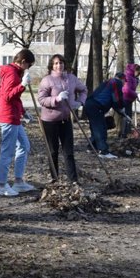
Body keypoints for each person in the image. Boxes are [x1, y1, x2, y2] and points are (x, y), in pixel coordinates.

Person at [37, 54, 87, 183]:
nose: (59, 65)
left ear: (64, 64)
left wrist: (80, 102)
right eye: (56, 63)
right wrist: (57, 99)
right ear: (52, 66)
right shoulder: (47, 80)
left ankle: (73, 180)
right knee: (53, 151)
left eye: (61, 63)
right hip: (49, 121)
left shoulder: (71, 79)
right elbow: (41, 100)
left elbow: (84, 90)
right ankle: (55, 179)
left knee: (68, 151)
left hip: (65, 119)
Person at [0, 49, 36, 196]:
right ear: (23, 61)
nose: (28, 68)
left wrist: (24, 112)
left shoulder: (14, 72)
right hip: (8, 117)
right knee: (7, 151)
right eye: (29, 65)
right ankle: (1, 185)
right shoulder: (12, 73)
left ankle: (18, 182)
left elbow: (15, 98)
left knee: (24, 145)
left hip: (14, 116)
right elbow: (7, 97)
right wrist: (23, 85)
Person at [84, 72, 126, 158]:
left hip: (89, 104)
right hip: (96, 106)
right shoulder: (117, 83)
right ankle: (103, 151)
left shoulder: (108, 82)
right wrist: (121, 108)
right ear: (122, 79)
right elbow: (116, 99)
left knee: (95, 128)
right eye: (124, 81)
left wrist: (119, 109)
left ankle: (91, 147)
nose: (124, 84)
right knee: (101, 128)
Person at [120, 63, 140, 138]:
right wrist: (135, 94)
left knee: (129, 116)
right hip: (125, 99)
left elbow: (132, 88)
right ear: (135, 71)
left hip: (129, 99)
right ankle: (123, 133)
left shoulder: (133, 77)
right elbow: (126, 89)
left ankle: (127, 132)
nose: (138, 75)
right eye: (138, 73)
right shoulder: (128, 77)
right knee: (126, 116)